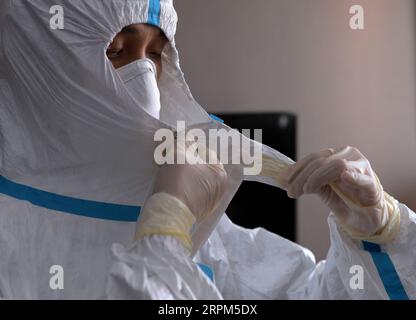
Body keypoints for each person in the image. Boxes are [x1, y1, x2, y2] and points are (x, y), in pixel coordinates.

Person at [0, 0, 414, 300]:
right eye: (114, 51)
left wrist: (380, 234)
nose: (144, 83)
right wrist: (162, 244)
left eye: (156, 54)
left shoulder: (198, 226)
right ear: (34, 60)